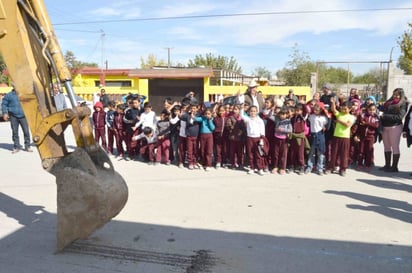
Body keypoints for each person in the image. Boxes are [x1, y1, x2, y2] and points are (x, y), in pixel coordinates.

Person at [379, 88, 409, 172]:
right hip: (385, 127)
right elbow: (381, 110)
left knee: (395, 147)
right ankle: (387, 165)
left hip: (395, 127)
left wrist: (384, 116)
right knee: (386, 147)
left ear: (401, 95)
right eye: (394, 94)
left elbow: (399, 117)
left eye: (397, 94)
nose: (395, 96)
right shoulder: (388, 102)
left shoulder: (403, 103)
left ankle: (394, 167)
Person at [325, 98, 356, 176]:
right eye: (342, 108)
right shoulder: (339, 114)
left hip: (345, 137)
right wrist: (333, 102)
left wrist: (339, 121)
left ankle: (343, 169)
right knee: (333, 153)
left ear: (350, 109)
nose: (343, 110)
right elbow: (333, 109)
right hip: (336, 136)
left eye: (345, 109)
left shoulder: (351, 117)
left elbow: (348, 124)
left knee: (344, 154)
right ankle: (330, 167)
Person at [1, 85, 33, 153]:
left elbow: (30, 103)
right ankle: (16, 146)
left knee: (26, 132)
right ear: (13, 86)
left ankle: (27, 146)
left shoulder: (24, 94)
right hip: (13, 116)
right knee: (15, 132)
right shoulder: (9, 95)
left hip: (23, 116)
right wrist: (5, 113)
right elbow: (4, 104)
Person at [240, 104, 266, 175]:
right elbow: (242, 116)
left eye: (254, 111)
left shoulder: (260, 120)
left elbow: (262, 130)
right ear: (249, 112)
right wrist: (241, 108)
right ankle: (252, 167)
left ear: (257, 111)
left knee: (258, 154)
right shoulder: (248, 119)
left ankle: (260, 168)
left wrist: (262, 139)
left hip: (257, 139)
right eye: (251, 111)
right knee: (250, 153)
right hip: (249, 138)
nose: (253, 112)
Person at [353, 103, 380, 172]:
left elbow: (376, 126)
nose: (371, 111)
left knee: (369, 151)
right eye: (370, 110)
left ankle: (368, 164)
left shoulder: (376, 118)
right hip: (362, 137)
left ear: (375, 110)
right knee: (361, 150)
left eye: (373, 110)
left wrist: (367, 123)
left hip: (370, 137)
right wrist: (356, 134)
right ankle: (359, 164)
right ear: (367, 109)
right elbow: (359, 125)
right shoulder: (363, 115)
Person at [305, 103, 329, 175]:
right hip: (313, 135)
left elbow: (327, 125)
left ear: (321, 110)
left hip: (320, 135)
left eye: (317, 110)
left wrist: (325, 128)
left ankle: (320, 168)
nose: (315, 111)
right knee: (311, 152)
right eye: (314, 109)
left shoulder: (323, 118)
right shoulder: (311, 116)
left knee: (320, 153)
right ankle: (309, 166)